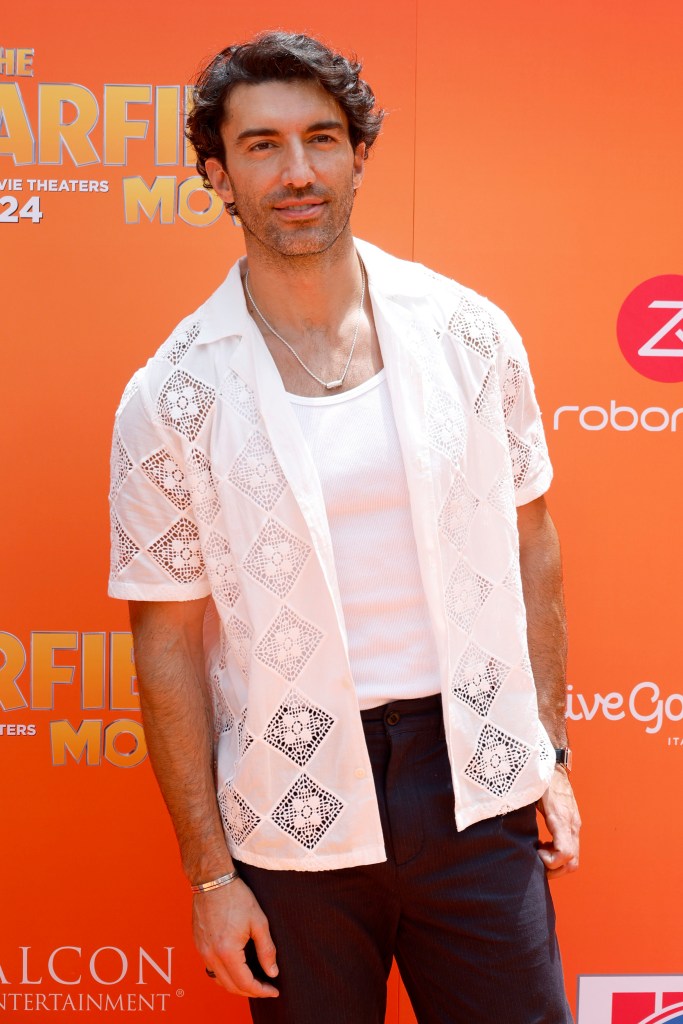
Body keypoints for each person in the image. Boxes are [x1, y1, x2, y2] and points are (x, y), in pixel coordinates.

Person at [109, 30, 580, 1024]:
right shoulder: (172, 395)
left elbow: (529, 537)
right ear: (215, 174)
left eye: (321, 140)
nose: (297, 173)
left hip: (475, 779)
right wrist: (208, 875)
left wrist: (549, 751)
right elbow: (165, 638)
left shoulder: (467, 334)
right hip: (290, 805)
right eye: (261, 146)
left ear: (358, 156)